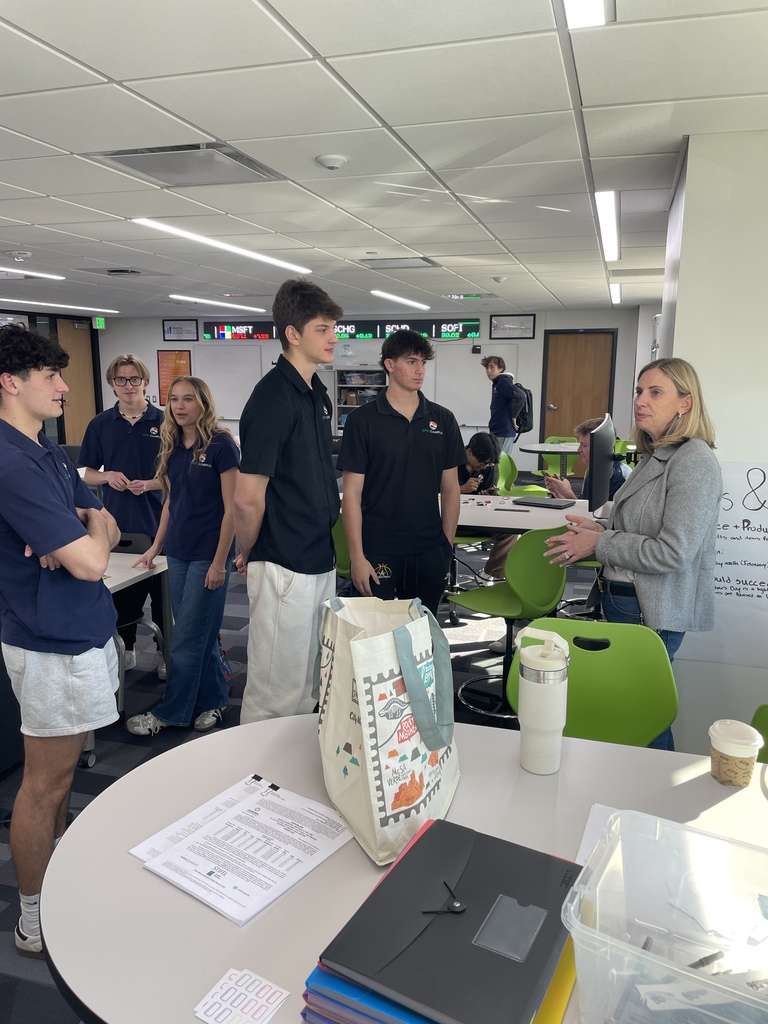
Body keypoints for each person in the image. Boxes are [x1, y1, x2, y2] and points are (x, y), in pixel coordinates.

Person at [0, 324, 120, 958]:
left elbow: (107, 519)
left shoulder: (44, 448)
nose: (64, 387)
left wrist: (82, 529)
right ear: (9, 382)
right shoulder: (10, 460)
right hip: (49, 643)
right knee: (43, 783)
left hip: (81, 630)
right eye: (50, 376)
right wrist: (82, 543)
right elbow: (95, 563)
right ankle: (31, 915)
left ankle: (59, 876)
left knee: (65, 771)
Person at [545, 358, 722, 750]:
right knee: (631, 711)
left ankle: (653, 799)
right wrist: (602, 529)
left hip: (650, 611)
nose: (641, 400)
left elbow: (673, 551)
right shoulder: (657, 455)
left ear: (685, 403)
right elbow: (642, 526)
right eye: (639, 391)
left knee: (643, 717)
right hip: (631, 603)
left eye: (655, 392)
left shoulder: (693, 461)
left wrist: (599, 543)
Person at [234, 279, 343, 723]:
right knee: (275, 687)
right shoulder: (272, 398)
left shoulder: (315, 393)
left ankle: (287, 781)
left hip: (319, 554)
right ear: (292, 334)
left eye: (334, 326)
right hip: (283, 559)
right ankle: (256, 781)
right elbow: (246, 499)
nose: (334, 336)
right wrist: (249, 551)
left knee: (309, 680)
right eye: (322, 328)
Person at [126, 376, 239, 736]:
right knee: (197, 634)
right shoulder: (172, 445)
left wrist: (221, 562)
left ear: (202, 403)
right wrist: (156, 546)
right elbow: (171, 503)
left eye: (188, 399)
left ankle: (171, 712)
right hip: (178, 552)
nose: (179, 406)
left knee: (187, 638)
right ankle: (216, 699)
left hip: (209, 554)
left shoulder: (221, 445)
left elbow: (231, 510)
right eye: (174, 399)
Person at [339, 328, 464, 616]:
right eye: (411, 362)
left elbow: (450, 489)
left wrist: (446, 545)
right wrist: (356, 557)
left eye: (423, 363)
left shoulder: (442, 419)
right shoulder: (362, 421)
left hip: (429, 548)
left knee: (422, 635)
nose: (420, 370)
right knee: (372, 636)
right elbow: (352, 495)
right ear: (389, 365)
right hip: (378, 548)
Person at [79, 354, 165, 676]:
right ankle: (126, 649)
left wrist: (153, 483)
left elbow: (179, 472)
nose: (128, 386)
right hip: (117, 526)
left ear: (145, 382)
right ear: (112, 385)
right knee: (122, 598)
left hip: (160, 523)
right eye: (120, 380)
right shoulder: (101, 424)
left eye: (134, 379)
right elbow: (84, 473)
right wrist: (107, 476)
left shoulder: (165, 421)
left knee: (162, 598)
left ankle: (163, 654)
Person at [543, 417, 632, 501]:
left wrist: (569, 494)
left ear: (601, 447)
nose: (579, 450)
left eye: (584, 445)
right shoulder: (593, 471)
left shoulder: (618, 478)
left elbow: (599, 515)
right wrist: (559, 494)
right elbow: (586, 508)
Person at [481, 355, 525, 455]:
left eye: (492, 367)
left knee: (500, 462)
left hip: (504, 429)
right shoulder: (497, 383)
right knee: (496, 461)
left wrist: (514, 417)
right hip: (498, 429)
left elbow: (521, 396)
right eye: (487, 368)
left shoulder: (503, 381)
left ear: (500, 369)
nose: (488, 371)